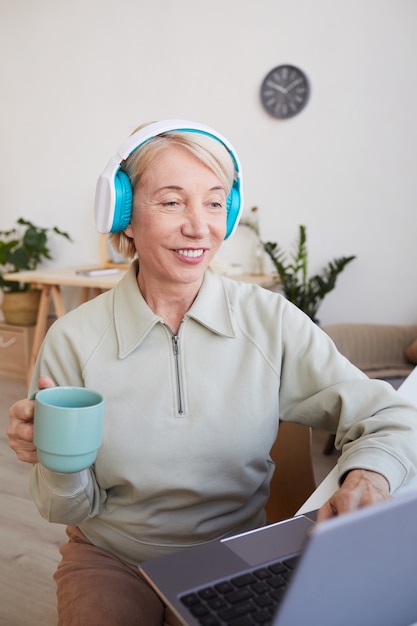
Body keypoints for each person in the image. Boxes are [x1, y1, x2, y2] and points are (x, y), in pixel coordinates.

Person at [7, 119, 417, 626]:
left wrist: (370, 475)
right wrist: (59, 462)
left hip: (234, 554)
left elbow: (389, 414)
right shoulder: (71, 339)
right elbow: (64, 509)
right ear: (125, 216)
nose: (199, 227)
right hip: (111, 558)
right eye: (172, 201)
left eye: (215, 202)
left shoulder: (271, 322)